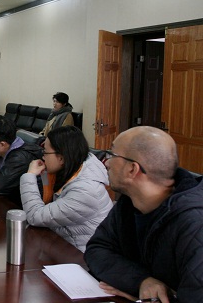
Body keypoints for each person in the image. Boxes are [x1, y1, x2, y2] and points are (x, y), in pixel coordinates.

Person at [84, 126, 203, 303]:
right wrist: (141, 281)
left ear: (132, 169)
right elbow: (97, 249)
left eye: (112, 154)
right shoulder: (130, 202)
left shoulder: (194, 224)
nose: (106, 163)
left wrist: (155, 299)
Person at [19, 126, 113, 252]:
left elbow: (34, 216)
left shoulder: (85, 191)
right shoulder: (71, 168)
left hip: (83, 255)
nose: (43, 157)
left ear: (61, 158)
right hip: (63, 243)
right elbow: (46, 204)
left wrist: (29, 176)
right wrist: (44, 174)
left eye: (45, 152)